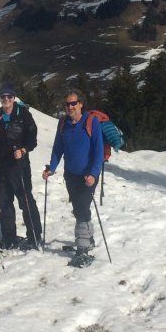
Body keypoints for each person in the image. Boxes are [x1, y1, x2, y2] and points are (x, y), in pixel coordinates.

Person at [43, 88, 104, 267]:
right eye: (67, 104)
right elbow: (57, 148)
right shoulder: (63, 123)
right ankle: (89, 240)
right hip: (71, 175)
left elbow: (98, 151)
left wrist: (93, 174)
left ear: (81, 104)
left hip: (88, 176)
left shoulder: (91, 122)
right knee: (79, 208)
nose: (69, 107)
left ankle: (83, 248)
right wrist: (51, 168)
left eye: (73, 103)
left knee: (82, 207)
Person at [0, 83, 42, 251]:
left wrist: (23, 150)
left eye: (9, 96)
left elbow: (32, 139)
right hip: (0, 166)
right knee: (4, 202)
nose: (6, 99)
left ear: (14, 98)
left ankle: (34, 237)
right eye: (3, 97)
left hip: (19, 166)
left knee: (25, 200)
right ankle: (9, 238)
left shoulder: (24, 115)